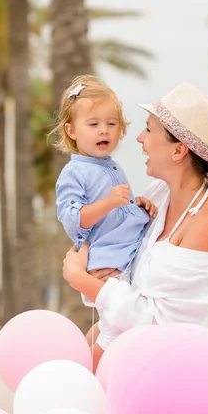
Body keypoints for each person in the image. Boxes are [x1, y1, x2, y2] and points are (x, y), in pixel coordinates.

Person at [62, 81, 208, 372]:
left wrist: (83, 279)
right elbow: (122, 259)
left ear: (179, 151)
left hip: (170, 377)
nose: (140, 138)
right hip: (132, 363)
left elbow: (159, 323)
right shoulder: (159, 194)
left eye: (149, 129)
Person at [53, 75, 157, 357]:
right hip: (106, 263)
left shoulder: (110, 166)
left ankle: (87, 366)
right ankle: (91, 373)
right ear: (71, 130)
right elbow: (73, 219)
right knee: (115, 330)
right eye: (94, 124)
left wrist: (137, 204)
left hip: (122, 258)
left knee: (112, 327)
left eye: (112, 124)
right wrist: (110, 203)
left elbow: (119, 211)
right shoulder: (75, 172)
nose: (104, 131)